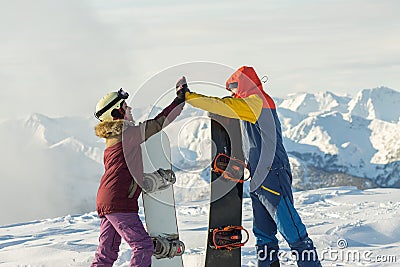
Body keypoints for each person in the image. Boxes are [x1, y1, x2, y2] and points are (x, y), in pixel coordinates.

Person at [178, 66, 322, 267]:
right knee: (263, 234)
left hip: (273, 172)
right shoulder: (249, 106)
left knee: (292, 230)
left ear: (244, 84)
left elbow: (220, 105)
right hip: (259, 176)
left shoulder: (256, 102)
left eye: (235, 87)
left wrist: (189, 96)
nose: (233, 93)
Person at [91, 86, 185, 267]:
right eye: (126, 106)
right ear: (117, 112)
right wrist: (178, 101)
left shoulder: (114, 138)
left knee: (107, 253)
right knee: (142, 246)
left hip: (107, 199)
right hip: (119, 201)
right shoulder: (127, 134)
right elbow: (158, 124)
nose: (130, 109)